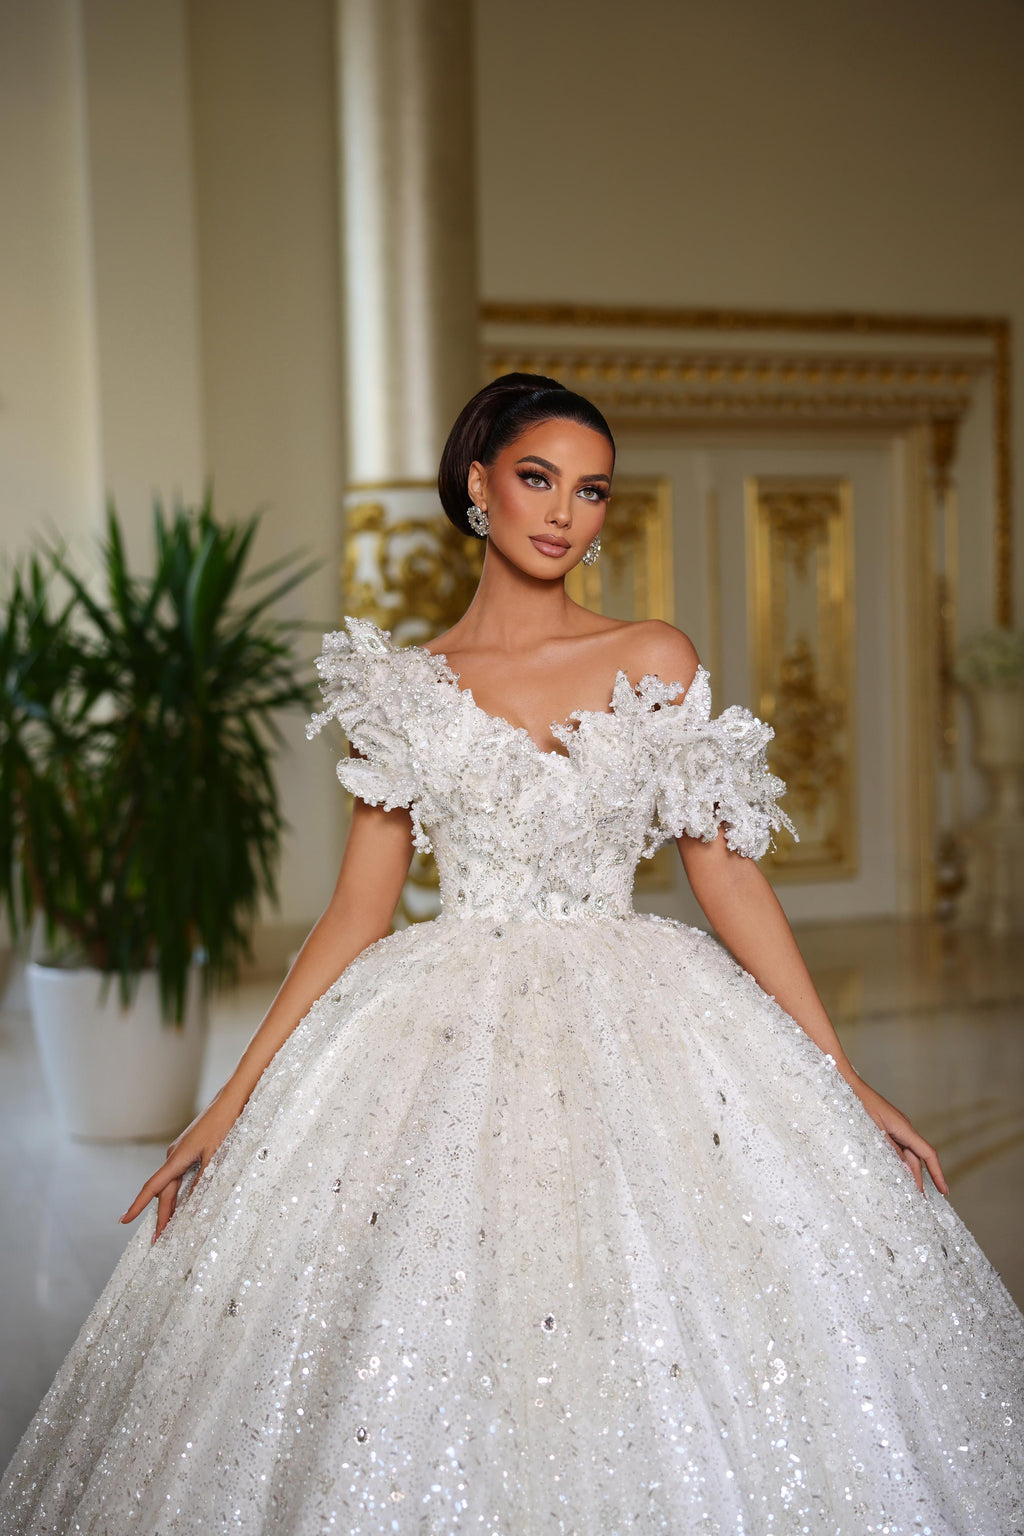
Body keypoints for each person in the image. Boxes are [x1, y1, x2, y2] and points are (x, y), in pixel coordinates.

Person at [1, 372, 1022, 1535]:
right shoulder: (405, 687)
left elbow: (725, 875)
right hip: (439, 1029)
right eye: (539, 478)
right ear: (479, 483)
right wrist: (226, 1107)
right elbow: (354, 915)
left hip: (642, 1021)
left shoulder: (654, 654)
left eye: (591, 492)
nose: (565, 514)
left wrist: (838, 1079)